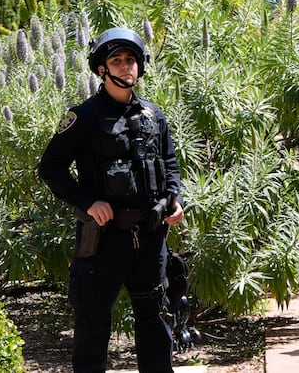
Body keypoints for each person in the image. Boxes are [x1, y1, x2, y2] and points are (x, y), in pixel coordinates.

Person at [38, 26, 185, 373]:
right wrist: (88, 202)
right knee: (93, 325)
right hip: (104, 240)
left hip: (150, 239)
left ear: (140, 66)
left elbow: (170, 163)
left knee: (155, 322)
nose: (125, 66)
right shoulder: (84, 117)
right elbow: (51, 167)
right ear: (101, 69)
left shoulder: (154, 116)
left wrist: (175, 199)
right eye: (116, 60)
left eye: (131, 60)